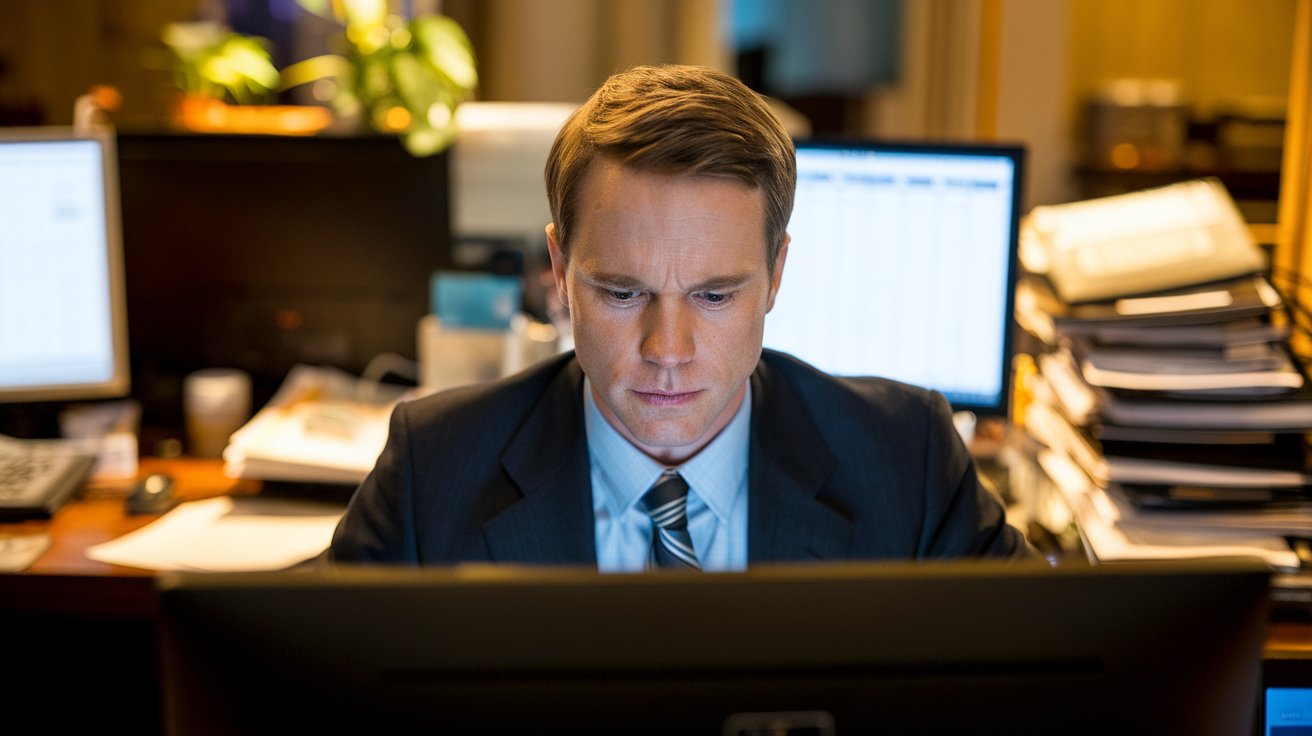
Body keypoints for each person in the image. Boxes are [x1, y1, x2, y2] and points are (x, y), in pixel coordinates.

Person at [329, 64, 1031, 568]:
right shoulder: (433, 469)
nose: (668, 349)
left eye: (715, 295)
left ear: (777, 275)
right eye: (622, 292)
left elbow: (1047, 676)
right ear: (561, 271)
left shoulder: (908, 461)